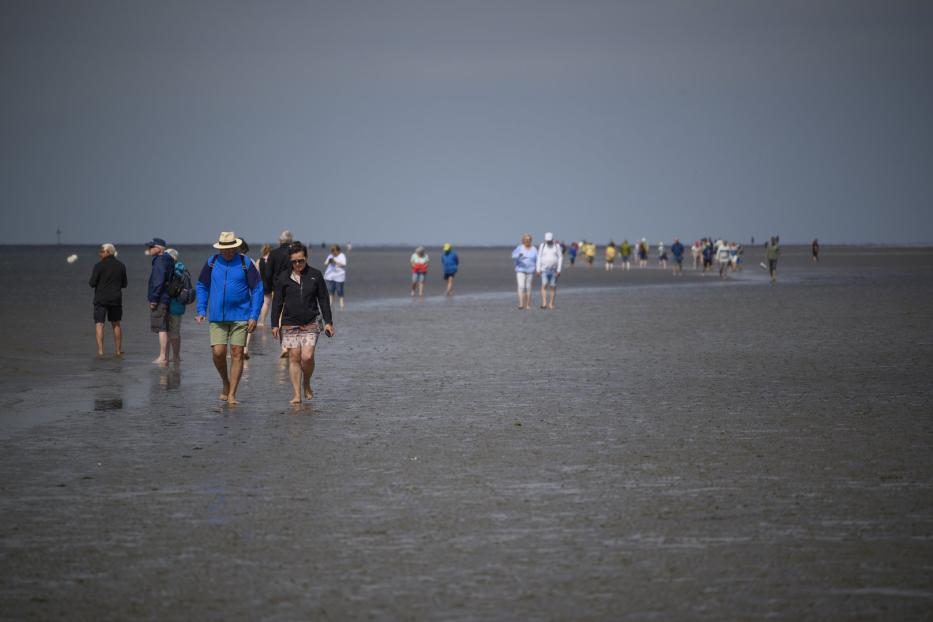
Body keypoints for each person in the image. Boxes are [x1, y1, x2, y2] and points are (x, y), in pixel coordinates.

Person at [195, 232, 264, 404]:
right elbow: (202, 285)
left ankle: (232, 393)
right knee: (218, 353)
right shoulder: (212, 262)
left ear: (235, 247)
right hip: (217, 317)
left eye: (230, 248)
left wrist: (254, 315)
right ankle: (225, 382)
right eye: (223, 249)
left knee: (237, 353)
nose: (227, 252)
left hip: (241, 316)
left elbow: (257, 289)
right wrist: (202, 309)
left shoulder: (244, 263)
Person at [271, 243, 334, 404]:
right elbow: (277, 302)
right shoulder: (283, 277)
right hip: (289, 323)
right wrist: (274, 324)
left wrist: (328, 322)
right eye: (294, 261)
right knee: (294, 357)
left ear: (306, 258)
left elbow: (323, 299)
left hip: (311, 322)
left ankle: (306, 382)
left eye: (301, 260)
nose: (298, 264)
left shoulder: (315, 275)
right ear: (290, 261)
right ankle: (297, 394)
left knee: (307, 357)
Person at [88, 243, 127, 357]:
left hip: (101, 298)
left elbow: (92, 283)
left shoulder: (98, 266)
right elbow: (125, 284)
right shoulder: (121, 265)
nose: (99, 253)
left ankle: (100, 351)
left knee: (99, 324)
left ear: (108, 252)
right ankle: (118, 351)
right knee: (116, 324)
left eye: (102, 251)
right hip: (115, 298)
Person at [146, 237, 174, 365]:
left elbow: (158, 281)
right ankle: (165, 356)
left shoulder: (160, 261)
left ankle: (163, 356)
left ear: (159, 248)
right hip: (167, 297)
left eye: (151, 247)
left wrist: (154, 299)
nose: (149, 249)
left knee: (162, 328)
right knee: (165, 327)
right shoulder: (168, 259)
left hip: (161, 298)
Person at [165, 249, 188, 362]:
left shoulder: (168, 270)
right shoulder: (183, 271)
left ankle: (165, 356)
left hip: (168, 305)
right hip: (179, 306)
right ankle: (176, 356)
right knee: (175, 333)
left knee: (166, 333)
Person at [511, 234, 537, 309]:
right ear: (523, 241)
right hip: (520, 270)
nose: (527, 241)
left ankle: (528, 304)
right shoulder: (519, 248)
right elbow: (513, 256)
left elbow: (537, 259)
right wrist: (519, 255)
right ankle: (521, 304)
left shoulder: (534, 249)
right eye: (525, 240)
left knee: (528, 287)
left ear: (531, 240)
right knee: (521, 286)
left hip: (530, 271)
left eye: (529, 240)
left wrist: (538, 269)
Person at [536, 232, 562, 309]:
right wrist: (538, 269)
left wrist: (559, 270)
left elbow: (560, 257)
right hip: (544, 269)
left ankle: (551, 303)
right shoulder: (542, 246)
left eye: (550, 240)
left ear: (552, 239)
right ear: (545, 239)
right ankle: (544, 303)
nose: (549, 242)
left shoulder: (557, 246)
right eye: (547, 240)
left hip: (554, 270)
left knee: (553, 286)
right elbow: (539, 257)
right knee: (544, 284)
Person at [257, 243, 272, 326]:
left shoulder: (259, 260)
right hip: (272, 283)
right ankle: (263, 321)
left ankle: (262, 321)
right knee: (271, 304)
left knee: (265, 303)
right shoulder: (272, 260)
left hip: (263, 283)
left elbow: (256, 272)